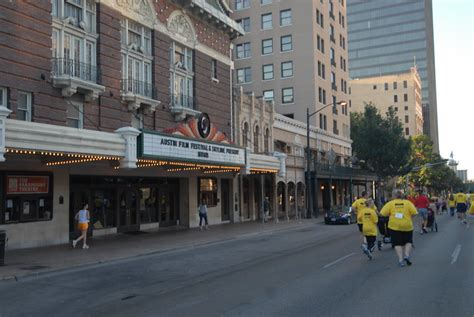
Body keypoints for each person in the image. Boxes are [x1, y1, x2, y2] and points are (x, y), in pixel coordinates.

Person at [380, 189, 417, 267]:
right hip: (407, 225)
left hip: (394, 226)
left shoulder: (390, 204)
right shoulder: (408, 203)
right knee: (408, 241)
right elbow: (414, 213)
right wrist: (408, 217)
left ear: (393, 196)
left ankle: (401, 260)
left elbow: (382, 213)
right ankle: (406, 255)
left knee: (397, 243)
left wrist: (391, 214)